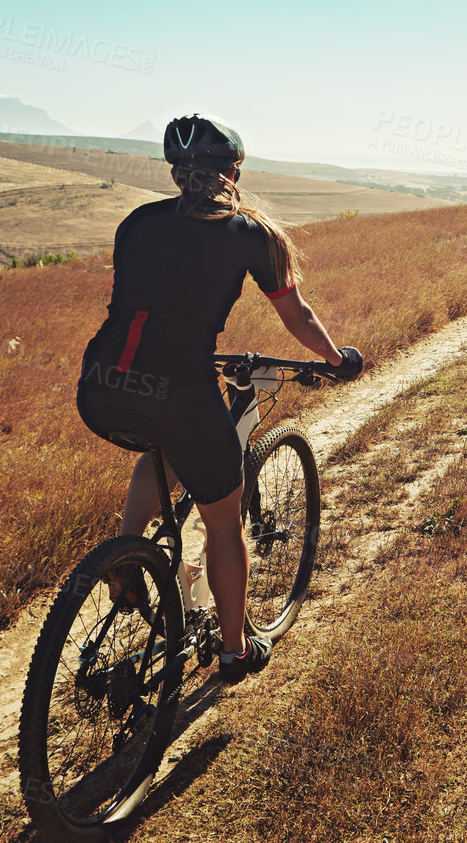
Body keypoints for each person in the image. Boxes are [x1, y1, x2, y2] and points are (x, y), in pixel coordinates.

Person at [76, 114, 362, 682]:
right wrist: (338, 360)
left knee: (159, 449)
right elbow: (298, 317)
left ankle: (126, 559)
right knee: (225, 523)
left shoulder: (136, 223)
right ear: (234, 171)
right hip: (179, 391)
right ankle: (234, 651)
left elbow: (151, 311)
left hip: (102, 385)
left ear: (177, 173)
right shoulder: (253, 234)